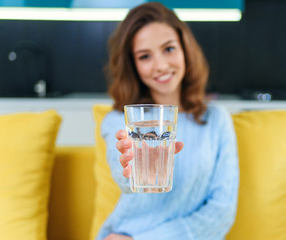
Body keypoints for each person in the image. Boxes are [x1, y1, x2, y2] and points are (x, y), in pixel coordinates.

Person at [97, 2, 239, 240]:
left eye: (169, 49)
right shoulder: (119, 120)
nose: (161, 65)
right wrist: (130, 168)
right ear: (133, 65)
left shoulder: (217, 120)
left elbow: (222, 211)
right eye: (145, 56)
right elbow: (123, 173)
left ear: (185, 50)